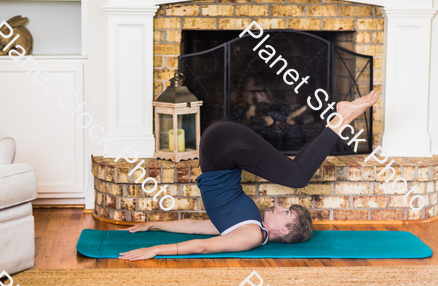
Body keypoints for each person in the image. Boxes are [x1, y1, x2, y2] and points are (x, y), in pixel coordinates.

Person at [118, 90, 379, 261]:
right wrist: (153, 227)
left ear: (284, 229)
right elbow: (203, 231)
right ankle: (341, 118)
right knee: (296, 171)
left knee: (297, 175)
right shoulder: (251, 226)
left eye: (286, 213)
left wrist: (155, 242)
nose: (279, 206)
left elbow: (201, 239)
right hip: (223, 147)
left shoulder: (252, 235)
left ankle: (341, 118)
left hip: (223, 145)